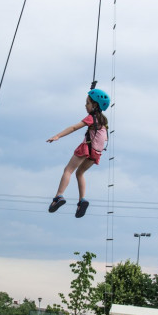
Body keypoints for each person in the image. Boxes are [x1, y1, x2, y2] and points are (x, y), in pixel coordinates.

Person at [47, 88, 110, 218]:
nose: (85, 105)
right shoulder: (104, 121)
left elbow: (74, 127)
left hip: (87, 148)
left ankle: (59, 196)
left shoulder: (91, 118)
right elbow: (104, 138)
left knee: (68, 170)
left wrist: (58, 136)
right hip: (96, 153)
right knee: (80, 173)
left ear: (95, 105)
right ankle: (82, 200)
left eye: (87, 103)